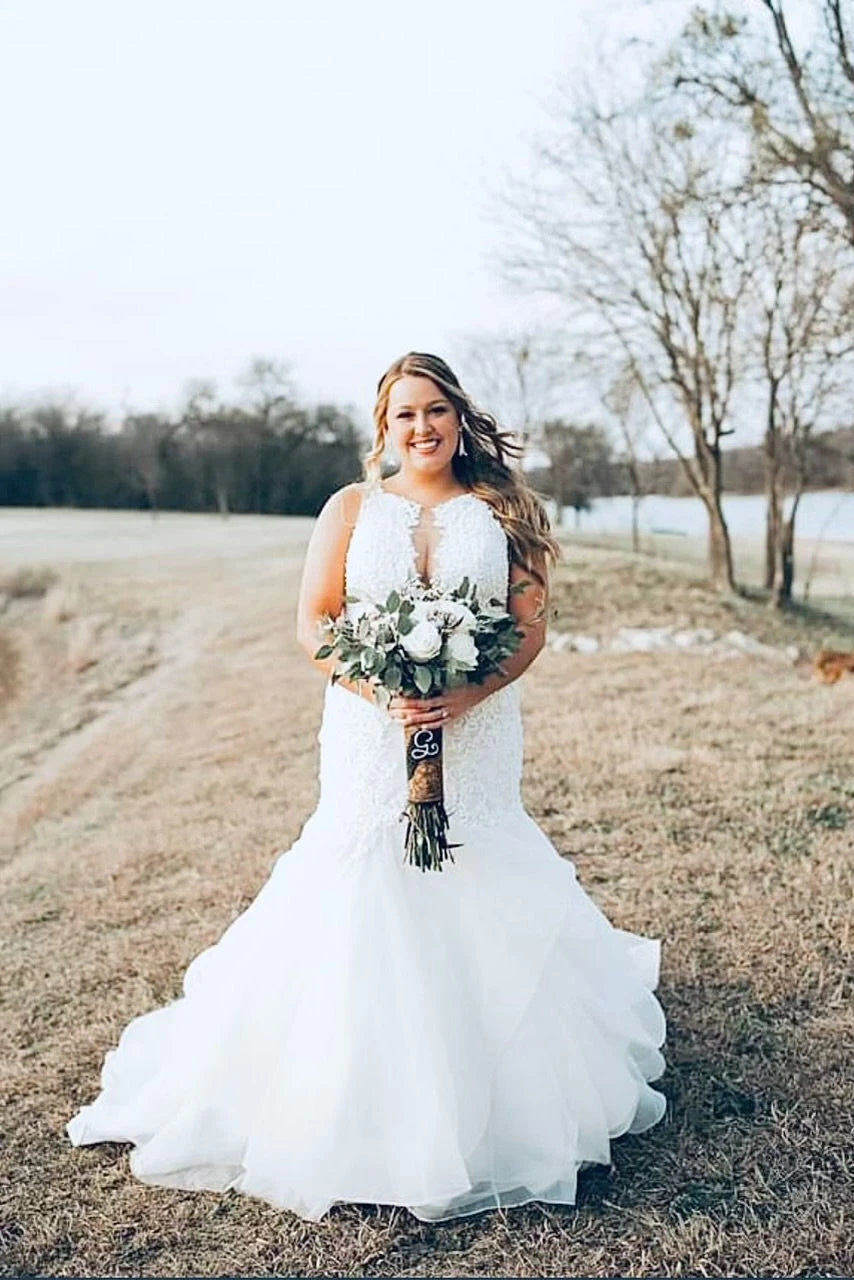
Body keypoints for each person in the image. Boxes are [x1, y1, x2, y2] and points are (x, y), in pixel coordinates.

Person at [66, 351, 667, 1223]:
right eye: (403, 416)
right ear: (382, 430)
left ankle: (495, 1082)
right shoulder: (350, 508)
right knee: (362, 876)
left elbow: (530, 629)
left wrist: (467, 694)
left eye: (435, 411)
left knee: (477, 868)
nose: (420, 429)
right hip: (368, 731)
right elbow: (314, 623)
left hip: (478, 728)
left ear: (460, 417)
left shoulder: (505, 510)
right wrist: (383, 691)